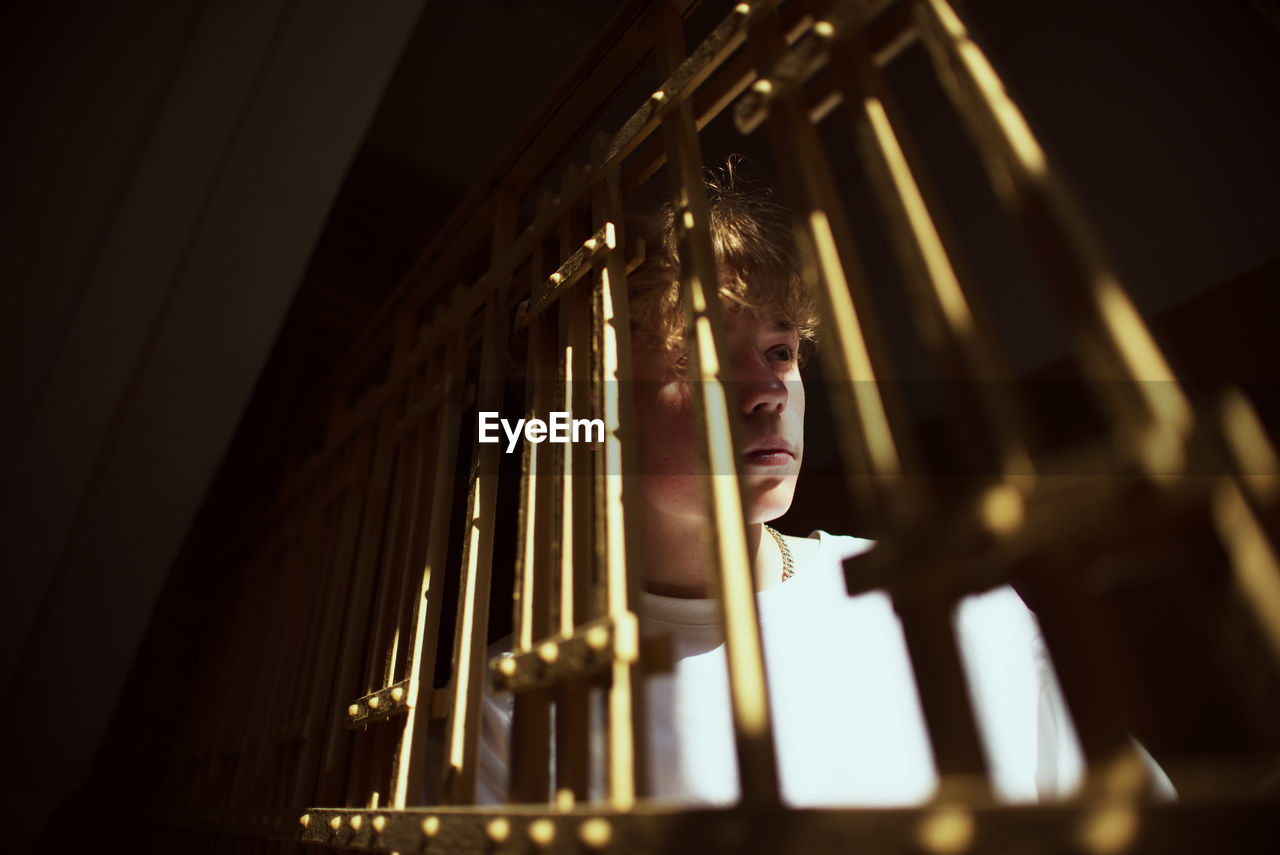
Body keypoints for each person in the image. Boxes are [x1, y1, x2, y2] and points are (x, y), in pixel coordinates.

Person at [477, 160, 1089, 806]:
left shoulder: (958, 597)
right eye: (704, 356)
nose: (770, 393)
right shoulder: (513, 704)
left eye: (780, 352)